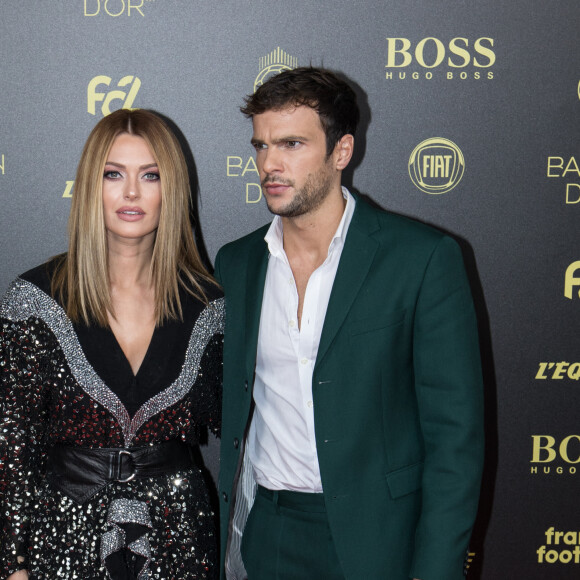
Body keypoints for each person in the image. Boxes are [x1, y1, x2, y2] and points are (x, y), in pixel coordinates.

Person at [215, 67, 484, 580]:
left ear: (342, 152)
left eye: (291, 143)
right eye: (261, 145)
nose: (270, 163)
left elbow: (455, 443)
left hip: (379, 538)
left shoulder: (421, 260)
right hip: (269, 532)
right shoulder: (237, 264)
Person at [0, 109, 224, 580]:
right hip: (62, 537)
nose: (131, 192)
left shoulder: (210, 307)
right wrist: (13, 564)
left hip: (179, 538)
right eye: (113, 174)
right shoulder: (34, 301)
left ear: (173, 189)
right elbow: (11, 445)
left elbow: (245, 426)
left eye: (151, 175)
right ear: (89, 187)